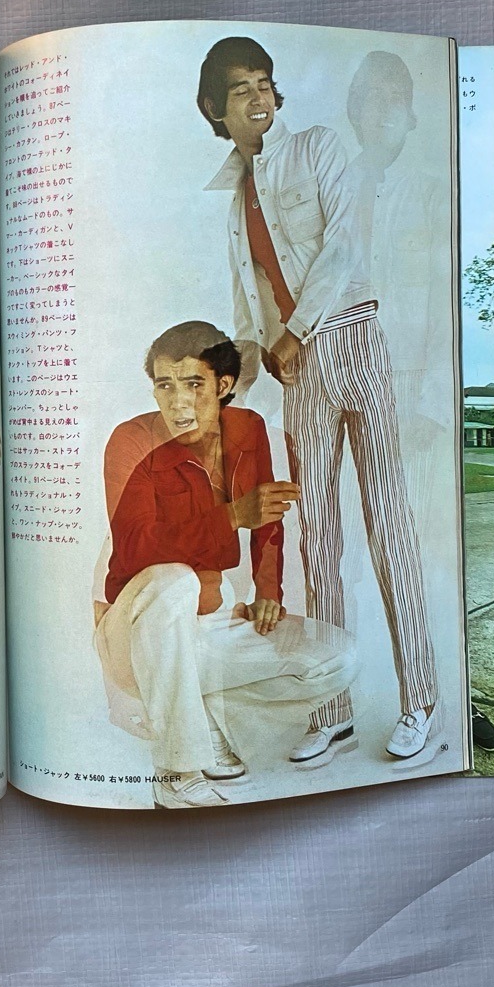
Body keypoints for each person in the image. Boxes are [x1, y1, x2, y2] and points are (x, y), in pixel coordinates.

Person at [198, 36, 439, 764]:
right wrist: (229, 387)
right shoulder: (230, 204)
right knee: (320, 539)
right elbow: (249, 315)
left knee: (389, 524)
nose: (258, 97)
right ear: (214, 108)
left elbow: (343, 249)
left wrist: (297, 330)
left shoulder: (317, 148)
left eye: (264, 83)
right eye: (240, 89)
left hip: (351, 335)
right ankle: (332, 710)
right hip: (295, 371)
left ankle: (420, 699)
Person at [94, 322, 357, 809]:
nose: (178, 402)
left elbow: (267, 518)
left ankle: (200, 718)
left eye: (194, 384)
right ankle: (176, 771)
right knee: (175, 580)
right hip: (137, 630)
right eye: (164, 385)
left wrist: (268, 591)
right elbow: (132, 549)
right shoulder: (129, 440)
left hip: (209, 622)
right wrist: (232, 515)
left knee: (336, 659)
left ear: (224, 384)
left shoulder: (248, 430)